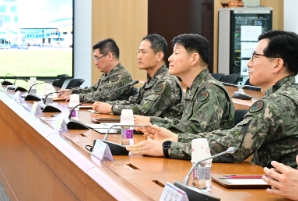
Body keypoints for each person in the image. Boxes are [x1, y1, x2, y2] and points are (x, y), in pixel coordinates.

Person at [128, 30, 298, 168]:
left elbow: (232, 147)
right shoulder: (288, 95)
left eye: (255, 57)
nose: (249, 63)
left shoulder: (273, 105)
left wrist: (168, 147)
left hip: (274, 190)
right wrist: (177, 138)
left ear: (277, 64)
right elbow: (230, 135)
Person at [134, 33, 234, 134]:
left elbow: (195, 131)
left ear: (194, 58)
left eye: (176, 53)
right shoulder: (194, 87)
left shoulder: (210, 91)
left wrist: (152, 124)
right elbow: (183, 123)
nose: (170, 58)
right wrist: (150, 121)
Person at [92, 34, 182, 118]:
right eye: (139, 52)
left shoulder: (166, 81)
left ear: (159, 56)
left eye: (143, 52)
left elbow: (144, 111)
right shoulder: (153, 79)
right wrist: (108, 105)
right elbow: (133, 102)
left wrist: (112, 108)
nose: (138, 56)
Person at [64, 38, 133, 103]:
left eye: (97, 58)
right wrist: (72, 91)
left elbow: (101, 96)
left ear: (109, 56)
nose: (95, 63)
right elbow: (93, 90)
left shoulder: (121, 76)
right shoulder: (108, 74)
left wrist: (77, 97)